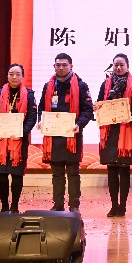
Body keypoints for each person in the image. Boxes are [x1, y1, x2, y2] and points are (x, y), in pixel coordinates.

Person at [38, 53, 93, 213]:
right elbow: (41, 108)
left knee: (73, 173)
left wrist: (79, 124)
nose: (61, 68)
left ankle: (74, 205)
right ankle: (58, 205)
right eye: (58, 65)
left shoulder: (81, 85)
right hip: (54, 137)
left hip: (72, 136)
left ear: (71, 66)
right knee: (57, 174)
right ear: (54, 66)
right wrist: (41, 121)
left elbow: (88, 110)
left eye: (64, 65)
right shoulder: (48, 86)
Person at [96, 53, 132, 217]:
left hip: (126, 131)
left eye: (121, 65)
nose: (118, 67)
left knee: (124, 170)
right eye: (115, 65)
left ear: (127, 66)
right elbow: (100, 103)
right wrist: (98, 107)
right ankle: (113, 205)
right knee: (111, 169)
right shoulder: (106, 84)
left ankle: (122, 206)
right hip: (110, 131)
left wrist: (130, 116)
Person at [0, 63, 38, 213]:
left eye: (17, 74)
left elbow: (32, 118)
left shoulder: (29, 94)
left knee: (16, 174)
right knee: (1, 175)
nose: (14, 77)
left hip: (18, 141)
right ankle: (4, 206)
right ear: (7, 76)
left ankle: (14, 206)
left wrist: (21, 133)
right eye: (11, 74)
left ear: (22, 76)